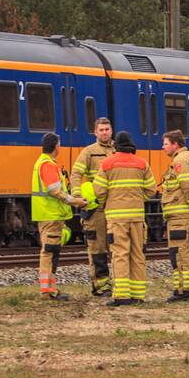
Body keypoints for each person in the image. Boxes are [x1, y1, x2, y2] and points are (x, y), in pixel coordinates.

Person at [93, 131, 156, 306]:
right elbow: (151, 190)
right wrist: (137, 199)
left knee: (120, 254)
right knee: (137, 253)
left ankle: (121, 296)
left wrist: (107, 202)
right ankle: (138, 295)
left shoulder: (107, 164)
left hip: (116, 217)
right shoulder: (142, 163)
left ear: (116, 146)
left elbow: (99, 190)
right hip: (137, 216)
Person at [30, 133, 86, 301]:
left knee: (52, 251)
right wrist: (75, 201)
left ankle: (50, 288)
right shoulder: (47, 165)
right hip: (51, 215)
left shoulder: (43, 162)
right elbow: (55, 191)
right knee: (49, 252)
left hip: (48, 214)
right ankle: (47, 291)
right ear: (57, 146)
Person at [70, 117, 115, 297]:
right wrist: (77, 196)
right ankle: (101, 285)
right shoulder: (89, 152)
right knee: (98, 248)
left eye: (107, 129)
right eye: (101, 130)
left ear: (111, 131)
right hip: (96, 209)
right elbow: (75, 174)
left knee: (116, 248)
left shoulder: (117, 151)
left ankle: (118, 284)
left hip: (114, 207)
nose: (104, 132)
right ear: (95, 132)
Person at [159, 129, 189, 302]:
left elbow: (187, 186)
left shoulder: (180, 160)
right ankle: (186, 288)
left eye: (165, 144)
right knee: (184, 251)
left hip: (180, 215)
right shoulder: (187, 158)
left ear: (175, 144)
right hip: (182, 214)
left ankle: (183, 291)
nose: (163, 147)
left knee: (179, 253)